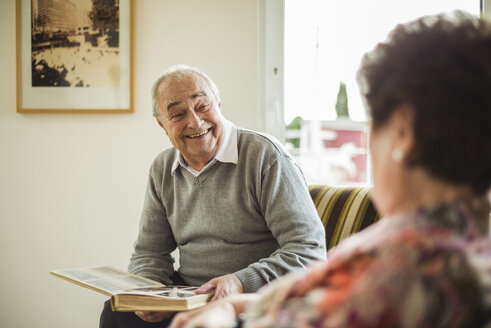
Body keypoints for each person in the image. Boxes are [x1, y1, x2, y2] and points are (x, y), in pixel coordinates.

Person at [168, 11, 491, 328]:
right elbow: (325, 301)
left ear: (402, 133)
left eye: (373, 122)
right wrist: (232, 307)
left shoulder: (397, 271)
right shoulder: (465, 241)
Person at [99, 65, 327, 327]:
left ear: (218, 104)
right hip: (191, 295)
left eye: (202, 106)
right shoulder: (162, 168)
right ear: (162, 124)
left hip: (253, 300)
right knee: (117, 312)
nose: (195, 121)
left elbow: (308, 250)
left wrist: (240, 282)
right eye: (177, 114)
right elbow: (150, 253)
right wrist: (147, 295)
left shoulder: (265, 156)